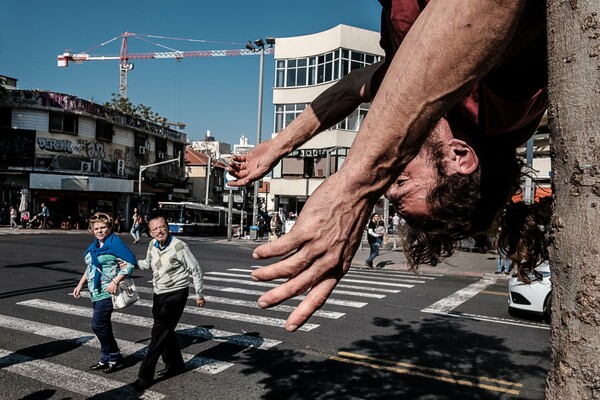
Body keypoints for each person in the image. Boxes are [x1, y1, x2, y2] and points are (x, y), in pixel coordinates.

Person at [227, 1, 548, 332]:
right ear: (459, 157)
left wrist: (278, 146)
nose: (389, 182)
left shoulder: (431, 108)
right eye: (404, 183)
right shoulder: (504, 111)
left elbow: (354, 88)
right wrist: (357, 184)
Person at [129, 213, 205, 391]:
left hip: (176, 294)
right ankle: (176, 364)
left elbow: (196, 270)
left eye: (162, 227)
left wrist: (199, 294)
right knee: (166, 332)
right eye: (155, 229)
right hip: (159, 293)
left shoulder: (179, 246)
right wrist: (129, 262)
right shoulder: (152, 244)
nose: (159, 231)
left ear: (168, 227)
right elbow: (147, 264)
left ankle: (145, 376)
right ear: (150, 232)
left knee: (158, 333)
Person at [72, 212, 136, 373]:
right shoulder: (95, 247)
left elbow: (129, 265)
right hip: (95, 290)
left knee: (97, 324)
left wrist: (115, 282)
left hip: (109, 291)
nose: (100, 231)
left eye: (103, 227)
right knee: (103, 325)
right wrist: (80, 284)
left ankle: (114, 355)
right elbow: (91, 267)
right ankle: (107, 357)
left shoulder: (115, 244)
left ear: (109, 228)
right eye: (96, 228)